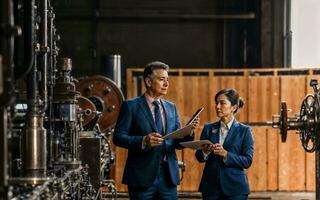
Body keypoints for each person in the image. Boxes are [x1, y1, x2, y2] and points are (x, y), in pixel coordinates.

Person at [113, 61, 199, 200]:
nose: (166, 84)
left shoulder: (171, 107)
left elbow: (176, 143)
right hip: (141, 177)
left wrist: (189, 132)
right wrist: (143, 140)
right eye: (161, 79)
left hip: (168, 176)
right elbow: (118, 137)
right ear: (148, 81)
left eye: (167, 80)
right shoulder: (131, 106)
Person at [195, 88, 254, 200]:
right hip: (210, 188)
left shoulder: (245, 131)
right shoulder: (208, 128)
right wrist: (205, 152)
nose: (217, 106)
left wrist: (226, 154)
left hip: (236, 189)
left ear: (234, 107)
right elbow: (199, 157)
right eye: (216, 103)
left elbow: (247, 161)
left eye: (222, 103)